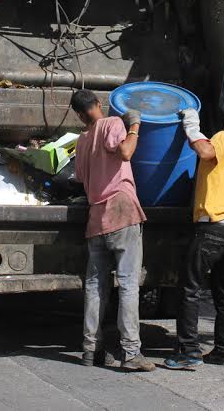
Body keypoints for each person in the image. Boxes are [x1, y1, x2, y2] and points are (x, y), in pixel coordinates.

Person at [71, 89, 155, 372]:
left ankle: (89, 349)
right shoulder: (112, 123)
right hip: (121, 210)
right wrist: (135, 124)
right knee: (129, 284)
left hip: (96, 218)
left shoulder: (82, 140)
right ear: (98, 105)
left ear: (80, 115)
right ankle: (131, 353)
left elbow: (80, 177)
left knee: (95, 286)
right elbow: (126, 152)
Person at [164, 109, 224, 370]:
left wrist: (191, 125)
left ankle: (188, 351)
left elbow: (204, 152)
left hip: (212, 229)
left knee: (189, 289)